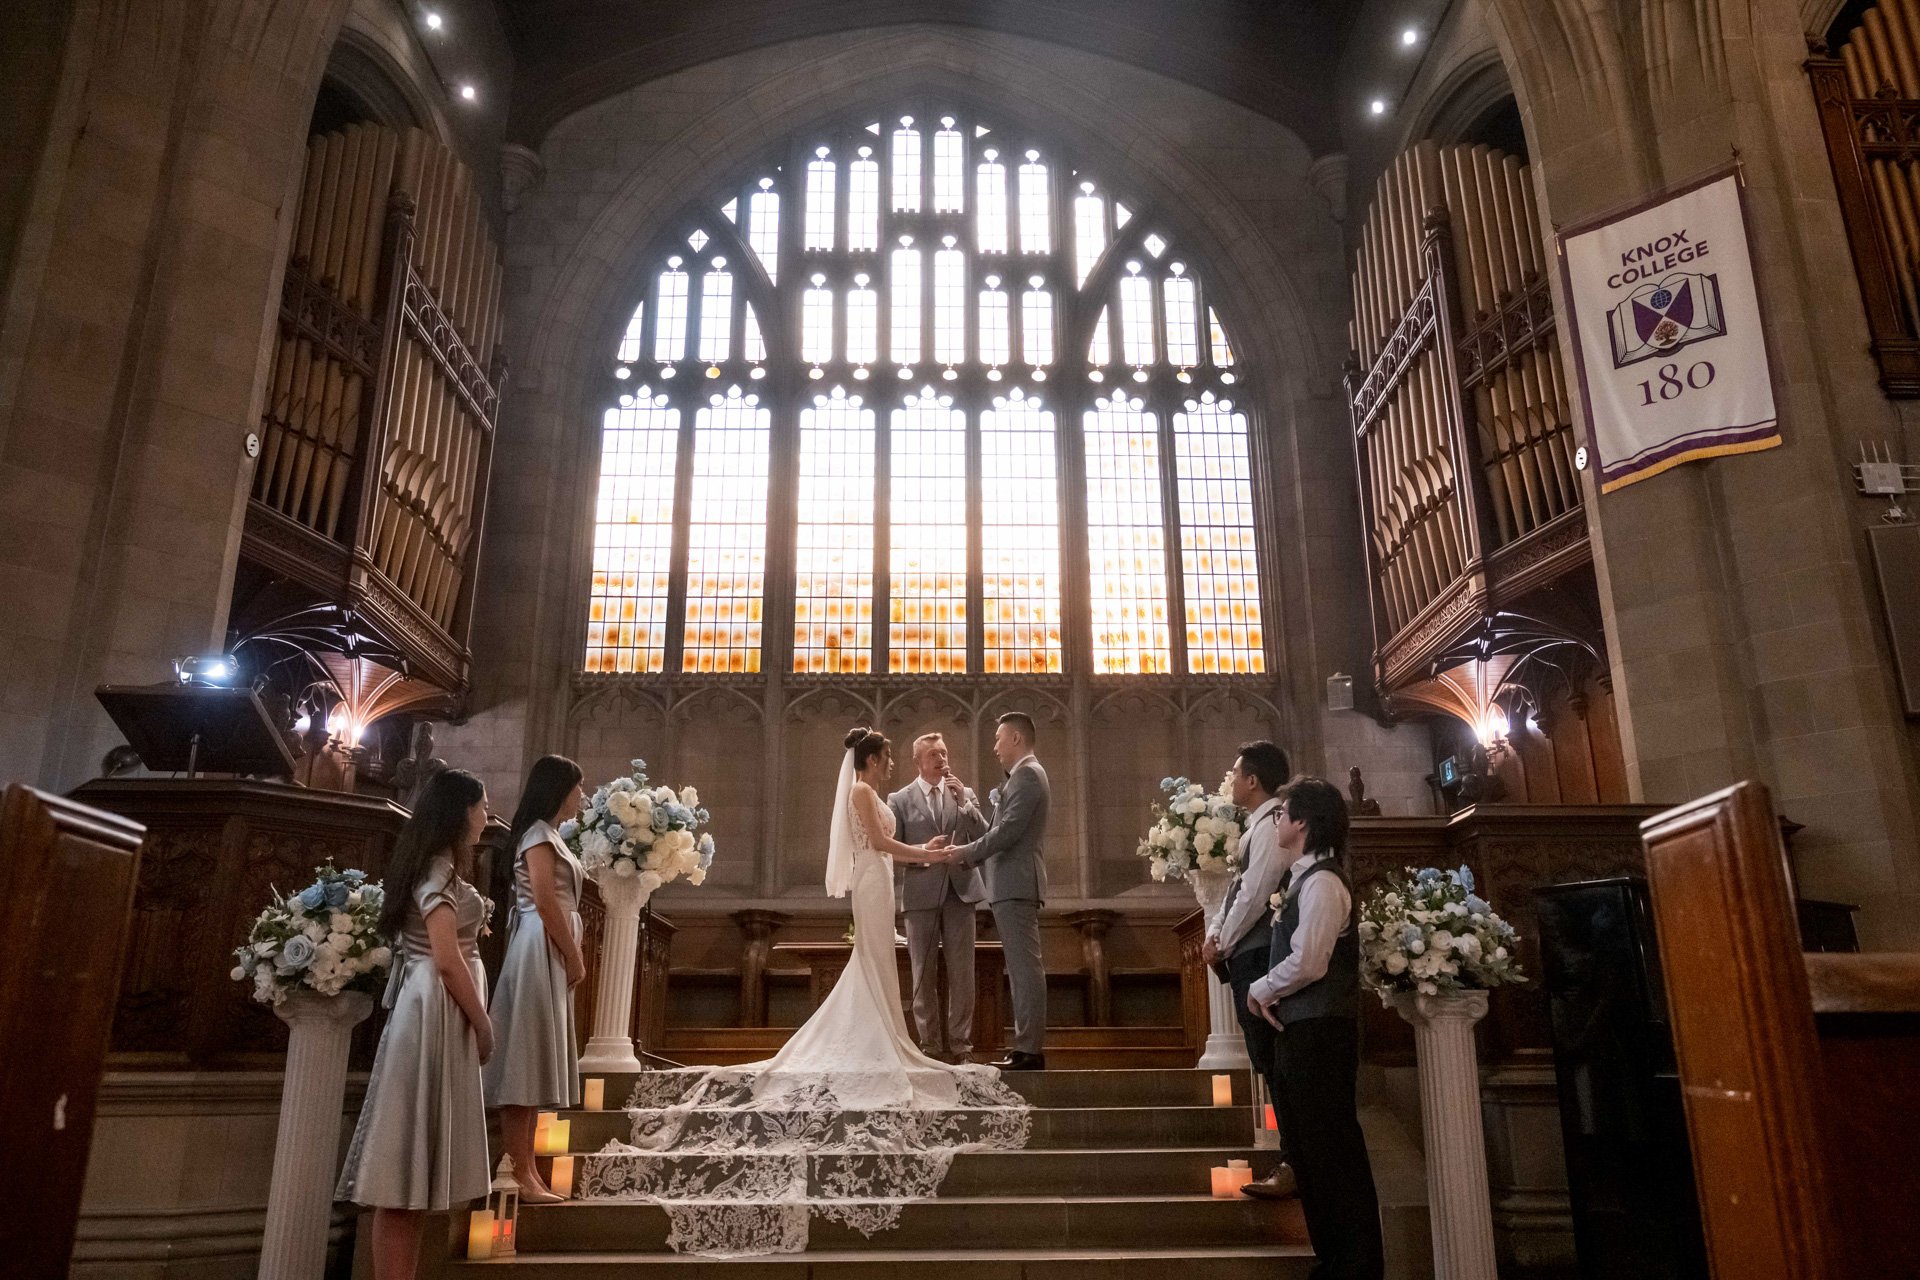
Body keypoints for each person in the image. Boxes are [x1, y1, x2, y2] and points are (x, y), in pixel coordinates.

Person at [336, 769, 494, 1280]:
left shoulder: (439, 867)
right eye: (482, 806)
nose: (487, 816)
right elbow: (447, 959)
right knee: (404, 1172)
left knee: (418, 1176)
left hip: (436, 1010)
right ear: (459, 811)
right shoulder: (436, 872)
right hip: (435, 1008)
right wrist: (484, 1025)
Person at [1248, 777, 1384, 1280]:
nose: (1277, 821)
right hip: (1301, 1033)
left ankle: (1356, 1266)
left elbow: (1310, 961)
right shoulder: (1303, 878)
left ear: (1302, 822)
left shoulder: (1324, 881)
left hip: (1322, 1033)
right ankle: (1333, 1261)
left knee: (1332, 1154)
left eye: (1283, 813)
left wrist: (1262, 987)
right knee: (1309, 1154)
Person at [483, 754, 588, 1202]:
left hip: (546, 945)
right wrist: (574, 955)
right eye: (577, 787)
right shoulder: (537, 835)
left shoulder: (551, 834)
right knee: (523, 1059)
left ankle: (526, 1170)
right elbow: (545, 901)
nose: (582, 796)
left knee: (531, 1058)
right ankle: (516, 1170)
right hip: (539, 945)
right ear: (558, 790)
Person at [1198, 740, 1297, 1200]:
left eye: (1236, 773)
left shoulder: (1274, 824)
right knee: (1265, 1061)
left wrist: (1224, 940)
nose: (1232, 779)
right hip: (1244, 953)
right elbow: (1236, 892)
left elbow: (1256, 894)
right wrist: (1217, 932)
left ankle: (1295, 1162)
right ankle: (1290, 1158)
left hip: (1259, 957)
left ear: (1253, 781)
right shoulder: (1255, 826)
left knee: (1276, 1064)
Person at [936, 711, 1051, 1071]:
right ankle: (1024, 1046)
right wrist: (967, 809)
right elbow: (995, 830)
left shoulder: (1028, 775)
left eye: (999, 739)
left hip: (1016, 884)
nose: (995, 748)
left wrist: (963, 854)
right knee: (1018, 970)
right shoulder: (1020, 777)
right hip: (1008, 883)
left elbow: (1008, 835)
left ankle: (1030, 1050)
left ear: (1016, 738)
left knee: (1025, 969)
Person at [889, 732, 989, 1063]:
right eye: (933, 754)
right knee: (923, 973)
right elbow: (891, 852)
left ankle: (961, 1045)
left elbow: (986, 838)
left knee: (962, 974)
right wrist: (924, 855)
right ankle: (929, 1045)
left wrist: (966, 806)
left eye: (944, 752)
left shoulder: (965, 793)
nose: (941, 759)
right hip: (921, 895)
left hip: (961, 893)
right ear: (917, 761)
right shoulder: (899, 800)